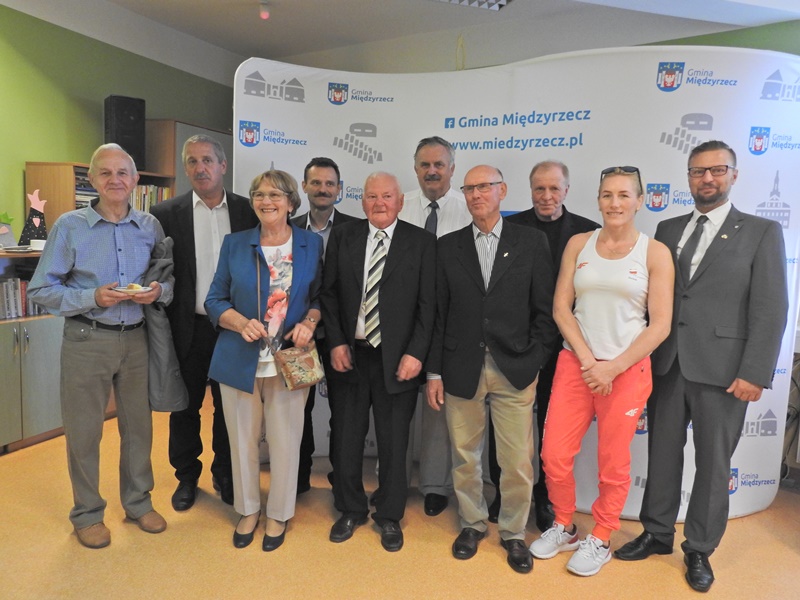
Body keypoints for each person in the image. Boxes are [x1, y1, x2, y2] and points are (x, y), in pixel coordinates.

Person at [614, 141, 788, 592]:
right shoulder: (667, 228)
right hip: (668, 363)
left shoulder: (762, 231)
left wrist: (755, 371)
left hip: (726, 371)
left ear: (734, 175)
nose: (707, 178)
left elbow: (771, 308)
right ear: (688, 177)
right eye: (697, 171)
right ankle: (656, 533)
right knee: (661, 455)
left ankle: (699, 548)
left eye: (717, 170)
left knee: (713, 464)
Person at [528, 165, 673, 577]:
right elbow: (561, 308)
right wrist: (589, 362)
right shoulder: (579, 243)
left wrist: (613, 368)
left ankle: (603, 535)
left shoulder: (654, 253)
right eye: (607, 195)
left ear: (639, 201)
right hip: (576, 365)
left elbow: (660, 324)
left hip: (626, 371)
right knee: (554, 455)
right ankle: (564, 525)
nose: (615, 203)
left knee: (613, 463)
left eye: (624, 195)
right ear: (597, 199)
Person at [28, 143, 173, 549]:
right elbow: (41, 289)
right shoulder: (69, 226)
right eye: (105, 173)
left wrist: (159, 291)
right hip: (87, 339)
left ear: (135, 180)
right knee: (84, 432)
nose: (115, 180)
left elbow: (166, 278)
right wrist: (92, 297)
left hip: (137, 340)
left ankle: (138, 503)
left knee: (139, 429)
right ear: (91, 179)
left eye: (122, 172)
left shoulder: (149, 226)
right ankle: (88, 514)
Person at [426, 165, 557, 574]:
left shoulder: (531, 242)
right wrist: (434, 372)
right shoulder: (447, 246)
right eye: (470, 188)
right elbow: (438, 314)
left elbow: (545, 310)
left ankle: (514, 532)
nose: (477, 195)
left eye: (485, 187)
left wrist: (535, 359)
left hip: (514, 367)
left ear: (502, 190)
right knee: (465, 457)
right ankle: (472, 523)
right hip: (460, 365)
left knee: (517, 459)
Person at [204, 170, 323, 552]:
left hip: (289, 360)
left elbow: (321, 298)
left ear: (291, 202)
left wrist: (309, 322)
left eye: (275, 194)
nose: (266, 201)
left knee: (287, 441)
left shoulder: (311, 243)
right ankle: (248, 509)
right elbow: (214, 300)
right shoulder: (235, 243)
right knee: (242, 441)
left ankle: (279, 513)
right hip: (239, 360)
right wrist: (240, 322)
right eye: (259, 194)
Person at [321, 172, 436, 552]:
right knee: (346, 439)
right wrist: (336, 342)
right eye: (372, 196)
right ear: (362, 201)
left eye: (387, 196)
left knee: (394, 443)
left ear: (400, 201)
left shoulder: (422, 242)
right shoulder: (344, 236)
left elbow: (428, 306)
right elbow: (329, 294)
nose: (379, 203)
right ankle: (350, 508)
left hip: (398, 360)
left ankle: (389, 515)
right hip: (350, 356)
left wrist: (416, 354)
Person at [489, 160, 599, 529]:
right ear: (530, 189)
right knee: (506, 427)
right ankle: (504, 493)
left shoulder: (588, 233)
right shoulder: (511, 227)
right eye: (540, 188)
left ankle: (545, 498)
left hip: (567, 348)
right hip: (516, 345)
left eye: (554, 188)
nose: (547, 196)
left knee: (551, 431)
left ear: (566, 190)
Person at [151, 134, 258, 511]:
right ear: (185, 168)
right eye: (193, 161)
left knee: (230, 408)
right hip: (189, 328)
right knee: (186, 407)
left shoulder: (248, 211)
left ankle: (225, 473)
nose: (201, 168)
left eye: (208, 160)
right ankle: (186, 476)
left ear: (223, 166)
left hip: (235, 328)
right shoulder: (165, 214)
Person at [399, 136, 472, 518]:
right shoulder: (399, 205)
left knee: (437, 406)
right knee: (396, 407)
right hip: (402, 323)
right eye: (425, 165)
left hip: (449, 322)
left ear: (451, 169)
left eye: (439, 165)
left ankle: (433, 484)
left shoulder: (468, 209)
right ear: (415, 169)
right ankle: (393, 480)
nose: (432, 171)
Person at [291, 157, 358, 494]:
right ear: (304, 186)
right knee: (298, 412)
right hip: (298, 336)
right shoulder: (286, 228)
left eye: (330, 184)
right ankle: (299, 478)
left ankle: (340, 479)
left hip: (340, 337)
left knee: (343, 414)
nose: (323, 189)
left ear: (339, 189)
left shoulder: (356, 230)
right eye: (316, 183)